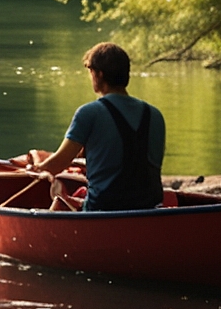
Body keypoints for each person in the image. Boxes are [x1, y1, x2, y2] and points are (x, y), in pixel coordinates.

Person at [21, 41, 164, 211]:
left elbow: (58, 164)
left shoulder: (89, 113)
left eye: (90, 72)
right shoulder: (155, 115)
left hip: (103, 208)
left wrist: (35, 169)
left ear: (99, 75)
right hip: (149, 208)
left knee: (59, 198)